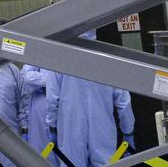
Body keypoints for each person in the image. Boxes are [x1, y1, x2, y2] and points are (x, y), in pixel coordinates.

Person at [54, 32, 135, 167]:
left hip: (71, 126)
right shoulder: (108, 59)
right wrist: (128, 131)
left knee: (71, 163)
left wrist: (51, 126)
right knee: (104, 164)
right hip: (102, 126)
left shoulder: (62, 58)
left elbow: (52, 98)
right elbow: (123, 101)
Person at [21, 64, 61, 165]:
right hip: (40, 105)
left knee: (65, 154)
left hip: (63, 105)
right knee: (40, 152)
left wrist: (52, 81)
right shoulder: (39, 54)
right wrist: (54, 81)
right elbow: (26, 76)